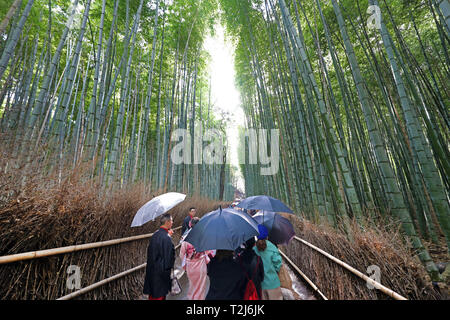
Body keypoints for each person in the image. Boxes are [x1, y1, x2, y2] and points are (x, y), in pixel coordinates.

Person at [179, 218, 214, 300]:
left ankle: (191, 298)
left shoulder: (186, 237)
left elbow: (182, 254)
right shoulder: (203, 236)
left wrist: (186, 262)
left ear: (190, 225)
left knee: (192, 285)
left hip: (190, 264)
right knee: (201, 286)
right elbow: (208, 250)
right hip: (200, 264)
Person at [143, 213, 175, 300]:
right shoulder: (166, 238)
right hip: (161, 274)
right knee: (160, 296)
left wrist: (169, 236)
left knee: (153, 295)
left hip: (152, 271)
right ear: (167, 222)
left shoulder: (155, 235)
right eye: (171, 220)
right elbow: (169, 259)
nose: (172, 222)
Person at [253, 224, 283, 300]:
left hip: (260, 285)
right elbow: (278, 264)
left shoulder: (254, 249)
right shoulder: (272, 247)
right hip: (273, 283)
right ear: (267, 235)